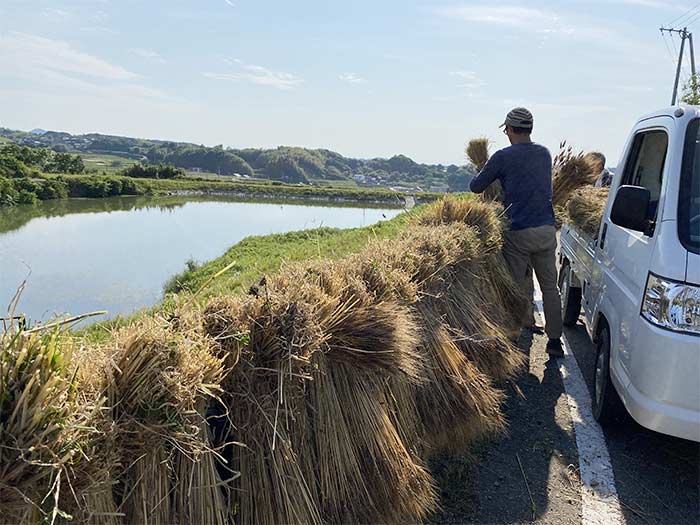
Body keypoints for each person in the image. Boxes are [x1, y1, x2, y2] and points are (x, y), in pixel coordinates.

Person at [469, 107, 564, 356]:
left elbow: (476, 186)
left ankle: (516, 335)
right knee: (550, 287)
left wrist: (494, 172)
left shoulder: (503, 156)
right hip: (545, 230)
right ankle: (555, 341)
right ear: (530, 129)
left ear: (509, 129)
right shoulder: (544, 154)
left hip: (518, 231)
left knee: (517, 283)